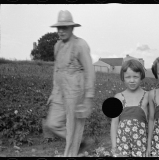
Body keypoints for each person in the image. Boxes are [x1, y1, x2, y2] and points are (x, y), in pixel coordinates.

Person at [45, 10, 95, 157]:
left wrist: (88, 98)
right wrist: (53, 93)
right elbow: (57, 70)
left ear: (72, 28)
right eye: (58, 28)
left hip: (75, 91)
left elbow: (90, 71)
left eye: (64, 27)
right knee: (52, 123)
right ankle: (78, 142)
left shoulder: (80, 45)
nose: (60, 31)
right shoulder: (57, 46)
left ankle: (72, 151)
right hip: (60, 92)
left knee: (73, 128)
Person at [110, 59, 149, 157]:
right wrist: (114, 147)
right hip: (122, 146)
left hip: (141, 145)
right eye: (128, 77)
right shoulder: (118, 97)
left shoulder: (148, 96)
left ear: (141, 77)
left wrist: (149, 146)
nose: (132, 80)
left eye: (135, 77)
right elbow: (114, 124)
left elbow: (151, 122)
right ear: (123, 78)